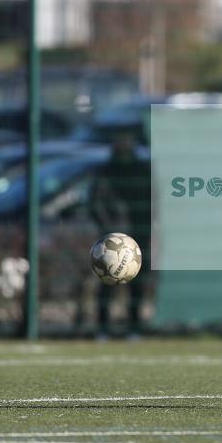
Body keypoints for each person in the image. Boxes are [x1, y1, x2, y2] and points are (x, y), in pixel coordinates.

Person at [90, 128, 152, 340]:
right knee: (107, 283)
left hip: (137, 236)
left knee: (136, 283)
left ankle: (134, 328)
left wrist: (144, 232)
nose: (124, 143)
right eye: (120, 139)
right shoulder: (106, 171)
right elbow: (95, 203)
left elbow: (150, 203)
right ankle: (102, 329)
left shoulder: (142, 171)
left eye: (128, 139)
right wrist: (109, 229)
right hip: (111, 239)